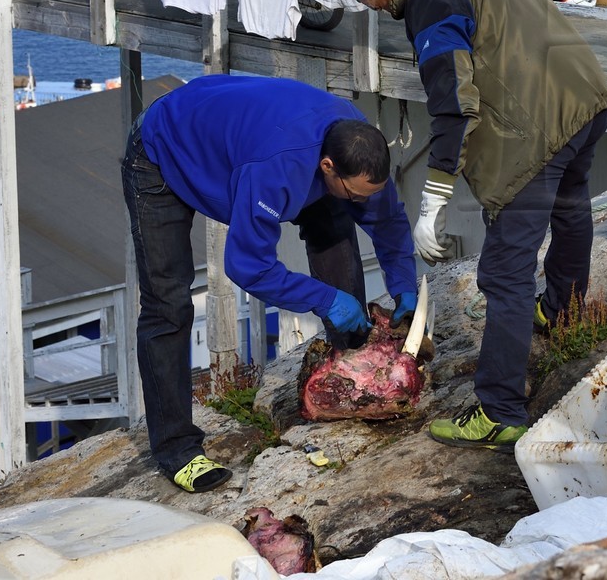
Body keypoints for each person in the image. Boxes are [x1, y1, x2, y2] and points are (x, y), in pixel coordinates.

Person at [345, 0, 607, 450]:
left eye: (373, 3)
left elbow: (452, 103)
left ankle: (500, 411)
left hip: (536, 131)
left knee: (504, 273)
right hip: (586, 97)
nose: (379, 11)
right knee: (571, 208)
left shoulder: (430, 1)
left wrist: (434, 198)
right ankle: (563, 310)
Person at [121, 75, 418, 492]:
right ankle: (177, 451)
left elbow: (386, 220)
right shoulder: (274, 168)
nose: (363, 201)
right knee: (167, 303)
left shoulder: (358, 147)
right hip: (164, 151)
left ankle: (352, 369)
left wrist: (404, 283)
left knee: (335, 223)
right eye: (356, 194)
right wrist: (325, 299)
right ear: (327, 166)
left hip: (239, 137)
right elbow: (248, 266)